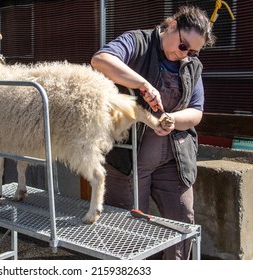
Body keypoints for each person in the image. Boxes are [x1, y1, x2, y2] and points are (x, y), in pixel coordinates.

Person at [91, 5, 216, 260]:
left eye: (193, 52)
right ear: (172, 26)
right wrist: (141, 83)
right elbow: (100, 60)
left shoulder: (192, 65)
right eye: (183, 46)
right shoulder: (138, 41)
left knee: (182, 221)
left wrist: (172, 119)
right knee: (127, 227)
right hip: (128, 161)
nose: (185, 55)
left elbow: (196, 112)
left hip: (174, 159)